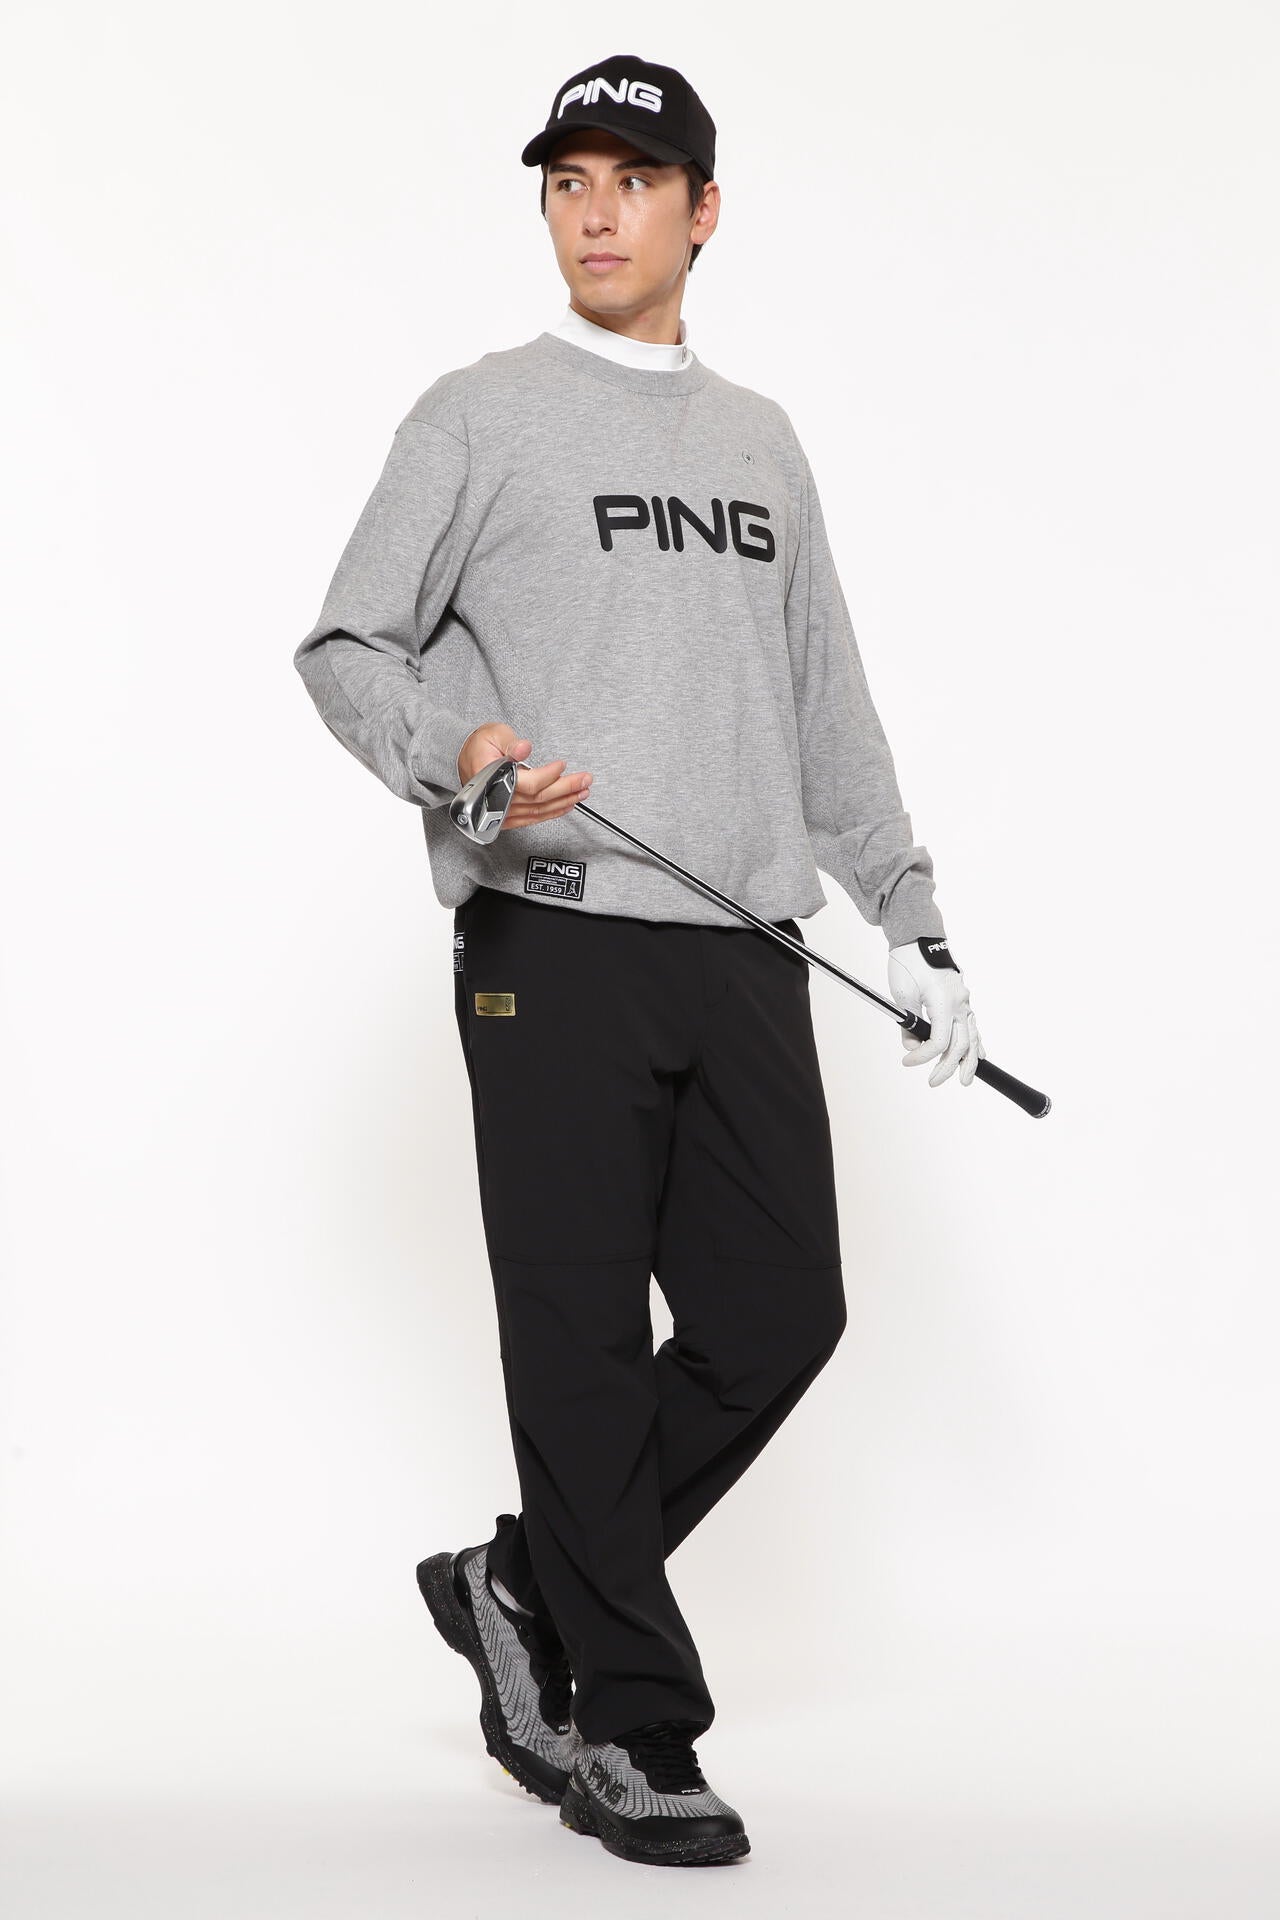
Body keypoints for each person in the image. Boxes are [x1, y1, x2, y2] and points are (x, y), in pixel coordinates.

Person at [293, 52, 984, 1869]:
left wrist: (910, 917)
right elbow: (349, 646)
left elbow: (825, 703)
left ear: (704, 209)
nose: (594, 212)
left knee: (781, 1314)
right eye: (567, 181)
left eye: (634, 179)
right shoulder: (478, 416)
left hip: (744, 943)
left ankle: (521, 1584)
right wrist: (461, 756)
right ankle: (632, 1724)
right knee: (582, 1340)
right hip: (556, 938)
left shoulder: (760, 442)